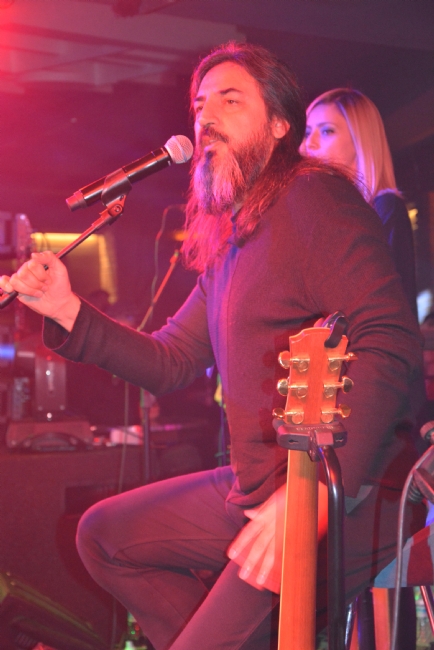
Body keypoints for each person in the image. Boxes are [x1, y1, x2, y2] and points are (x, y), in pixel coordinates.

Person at [0, 42, 426, 649]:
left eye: (230, 100)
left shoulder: (314, 198)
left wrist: (308, 501)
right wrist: (67, 309)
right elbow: (171, 359)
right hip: (260, 487)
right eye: (200, 105)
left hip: (349, 491)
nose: (206, 118)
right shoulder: (233, 238)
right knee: (105, 536)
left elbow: (389, 336)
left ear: (280, 126)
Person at [300, 87, 418, 320]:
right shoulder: (314, 213)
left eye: (327, 131)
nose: (309, 144)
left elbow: (392, 306)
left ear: (360, 142)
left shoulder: (384, 207)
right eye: (306, 132)